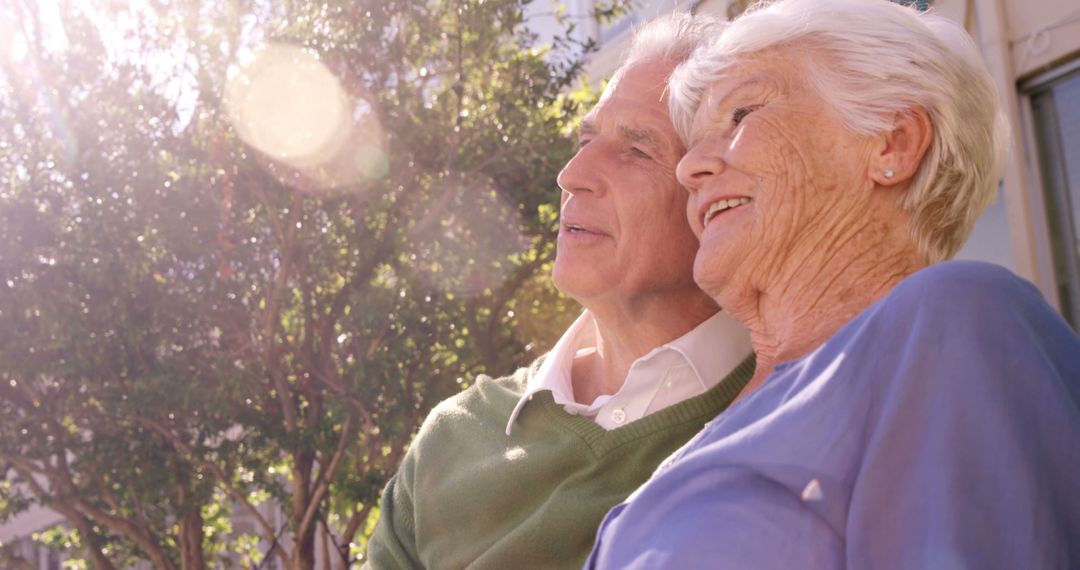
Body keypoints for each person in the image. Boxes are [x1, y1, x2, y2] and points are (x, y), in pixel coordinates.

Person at [585, 0, 1080, 567]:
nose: (689, 167)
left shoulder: (955, 319)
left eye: (741, 115)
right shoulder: (726, 418)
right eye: (696, 138)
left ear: (893, 143)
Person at [364, 13, 752, 570]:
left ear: (719, 195)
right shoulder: (455, 435)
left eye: (638, 150)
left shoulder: (791, 415)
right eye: (585, 139)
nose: (572, 173)